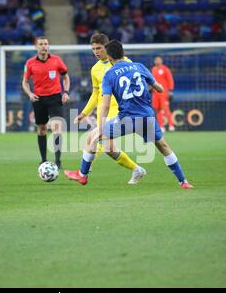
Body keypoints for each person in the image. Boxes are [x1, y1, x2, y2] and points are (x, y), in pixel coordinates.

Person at [65, 40, 193, 189]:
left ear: (110, 58)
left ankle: (83, 175)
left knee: (93, 138)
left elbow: (105, 104)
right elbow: (159, 88)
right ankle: (183, 181)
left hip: (126, 120)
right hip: (147, 117)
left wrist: (101, 126)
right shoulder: (139, 66)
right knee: (163, 146)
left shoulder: (109, 74)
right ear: (123, 53)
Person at [73, 33, 146, 184]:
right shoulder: (95, 69)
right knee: (109, 148)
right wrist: (84, 113)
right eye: (93, 49)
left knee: (94, 137)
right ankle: (137, 170)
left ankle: (84, 170)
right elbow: (95, 92)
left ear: (106, 47)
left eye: (99, 48)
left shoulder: (125, 62)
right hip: (103, 112)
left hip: (119, 110)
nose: (96, 52)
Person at [22, 36, 70, 169]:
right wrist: (30, 94)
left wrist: (66, 92)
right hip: (39, 99)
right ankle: (43, 160)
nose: (44, 46)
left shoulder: (56, 60)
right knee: (42, 129)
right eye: (41, 44)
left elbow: (66, 77)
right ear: (36, 47)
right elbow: (25, 82)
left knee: (56, 128)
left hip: (55, 98)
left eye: (46, 44)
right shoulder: (30, 63)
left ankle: (58, 161)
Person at [151, 55, 175, 132]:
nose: (157, 61)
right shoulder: (153, 69)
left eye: (158, 60)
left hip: (163, 92)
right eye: (156, 60)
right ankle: (161, 126)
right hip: (155, 93)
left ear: (161, 61)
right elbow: (152, 80)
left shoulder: (165, 69)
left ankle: (171, 125)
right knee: (157, 110)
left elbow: (170, 80)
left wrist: (170, 91)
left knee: (166, 109)